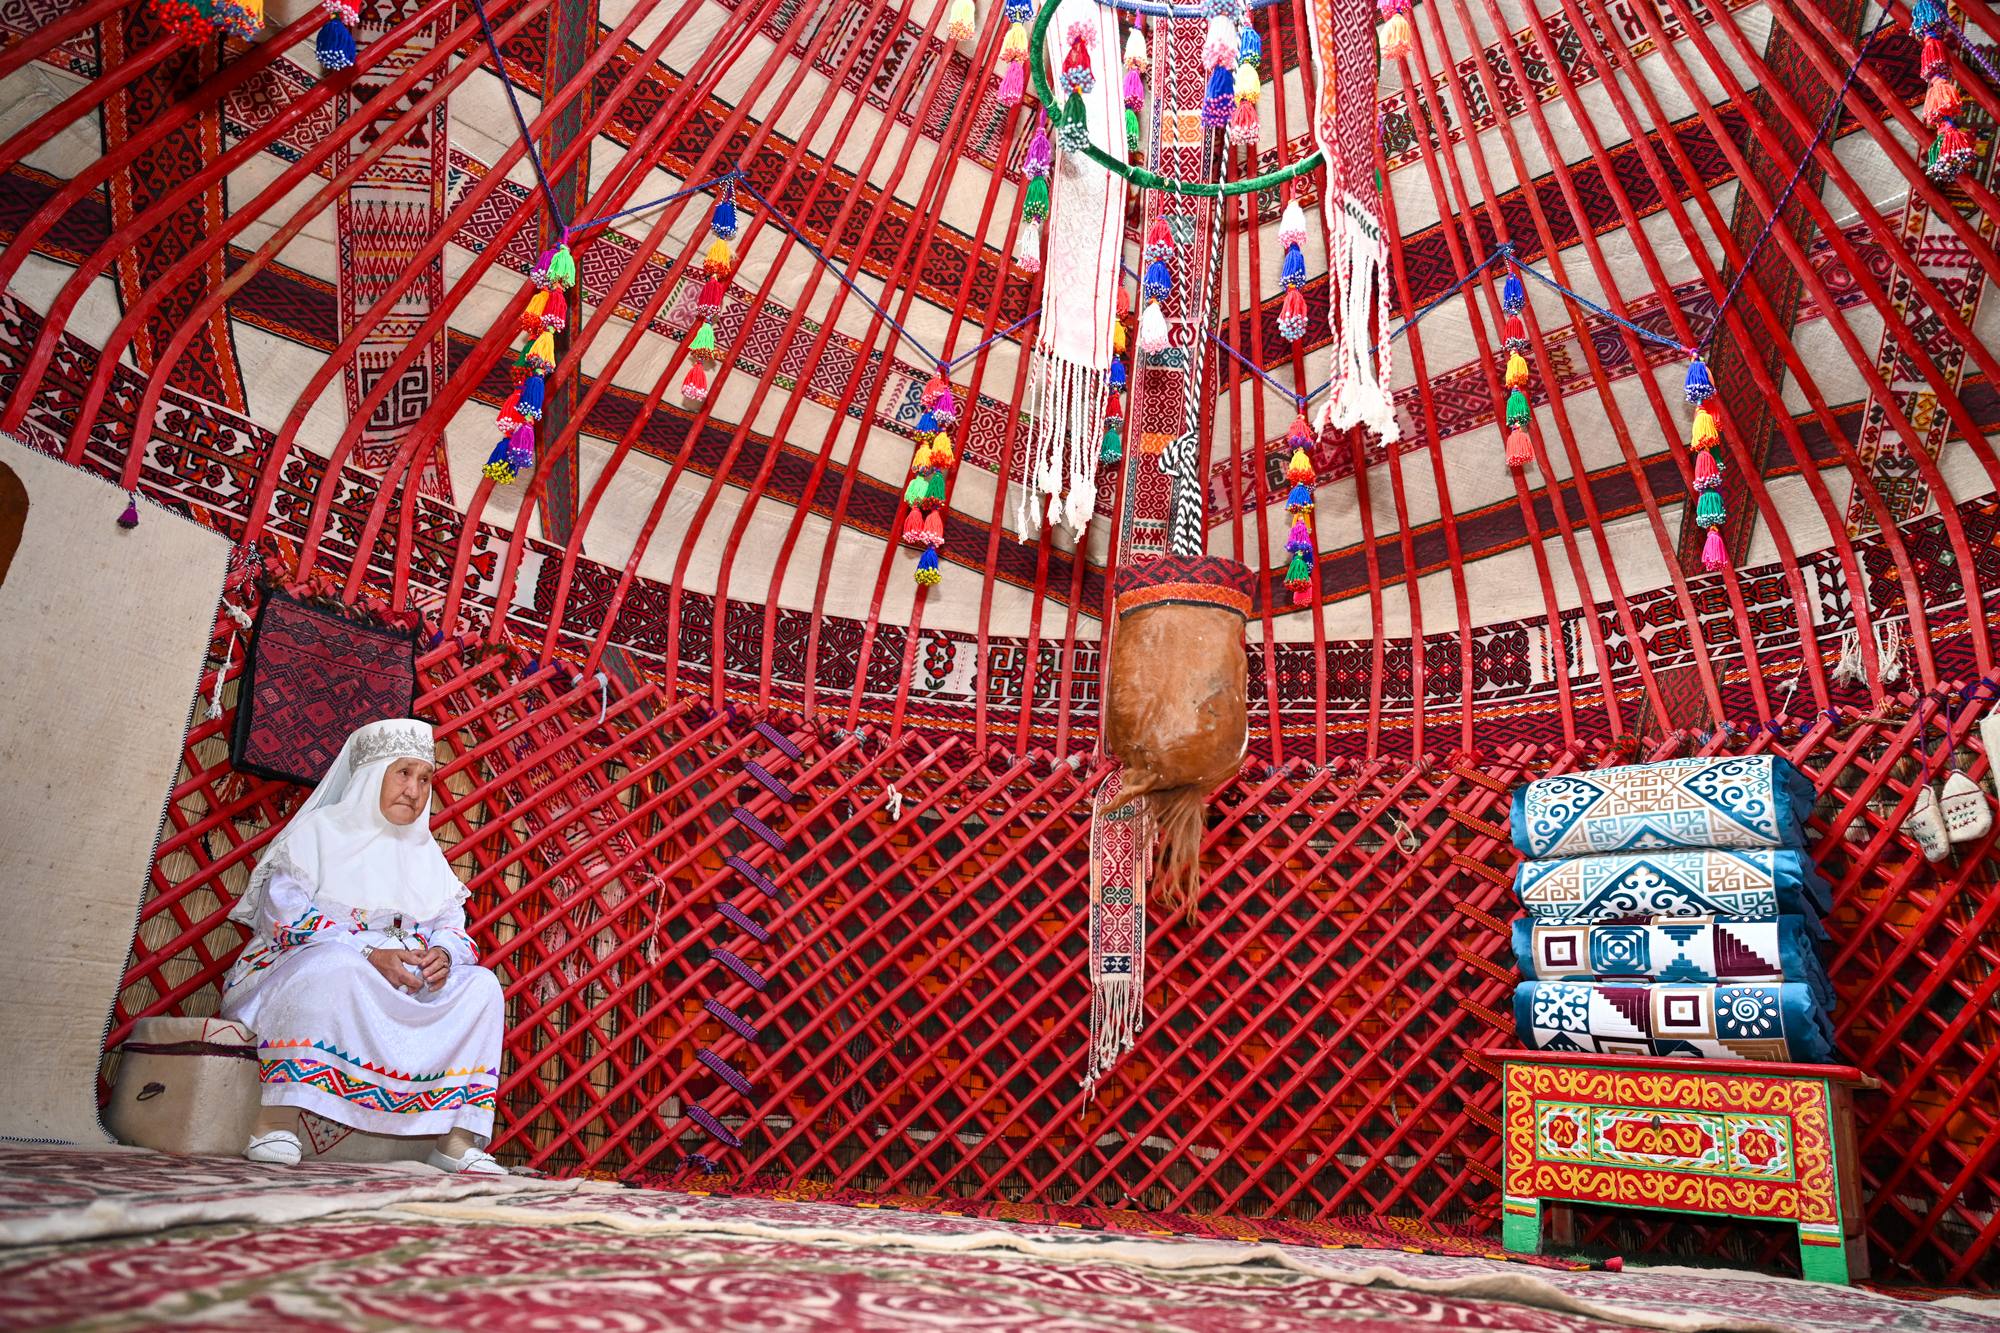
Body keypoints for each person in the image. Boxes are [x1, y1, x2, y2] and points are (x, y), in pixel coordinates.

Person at [219, 717, 506, 1174]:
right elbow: (284, 916)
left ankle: (456, 1142)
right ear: (372, 775)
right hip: (320, 969)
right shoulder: (317, 833)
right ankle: (275, 1122)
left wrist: (443, 955)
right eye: (404, 773)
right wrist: (368, 954)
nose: (414, 790)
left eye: (425, 779)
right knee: (335, 965)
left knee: (482, 987)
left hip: (406, 980)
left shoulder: (426, 852)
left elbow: (452, 926)